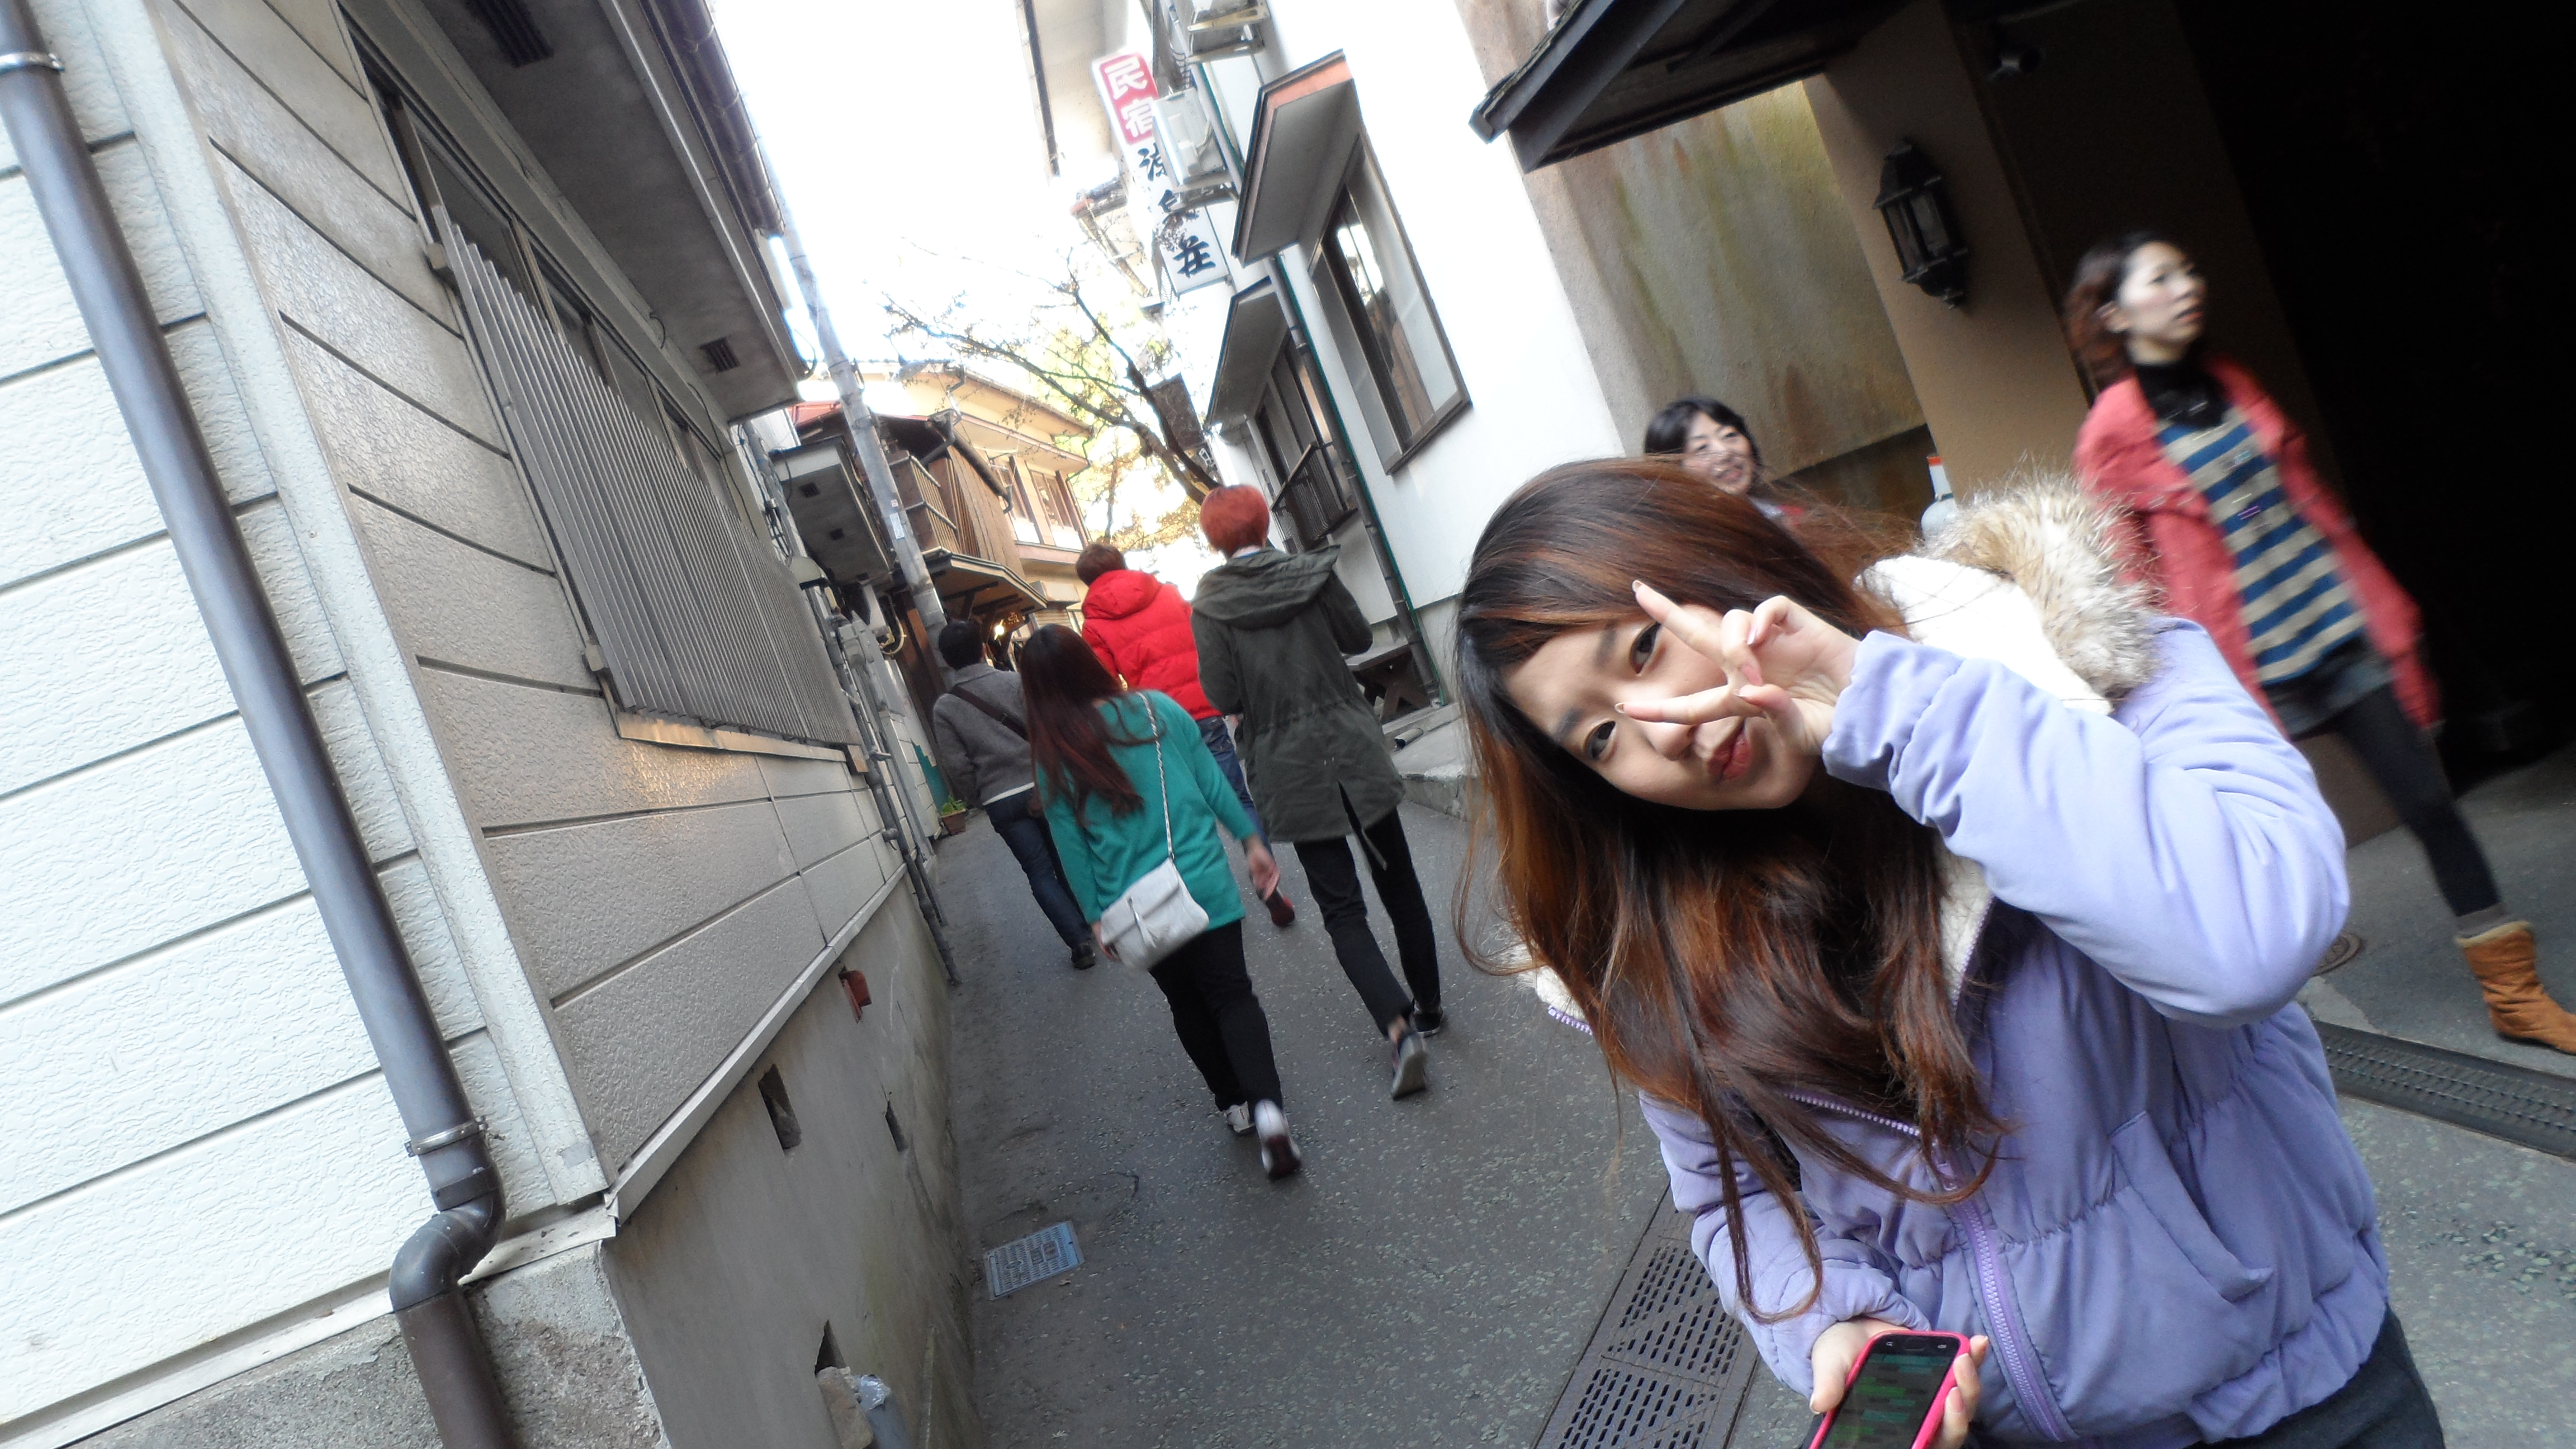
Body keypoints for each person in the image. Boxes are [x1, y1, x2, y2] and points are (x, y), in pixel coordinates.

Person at [1457, 461, 2439, 1447]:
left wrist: (1891, 708)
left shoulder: (2069, 655)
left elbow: (2251, 939)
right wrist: (1831, 1318)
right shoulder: (1658, 947)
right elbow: (1734, 1191)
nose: (1657, 732)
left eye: (1643, 648)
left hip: (2298, 1400)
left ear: (1725, 562)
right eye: (1598, 739)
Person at [2066, 229, 2576, 1055]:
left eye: (2188, 269)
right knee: (2257, 856)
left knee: (2429, 803)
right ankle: (2254, 1031)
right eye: (2161, 278)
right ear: (2116, 314)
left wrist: (2375, 600)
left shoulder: (2230, 379)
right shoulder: (2110, 434)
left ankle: (2515, 995)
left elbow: (2307, 503)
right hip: (2246, 669)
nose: (2188, 285)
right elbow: (2132, 580)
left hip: (2332, 631)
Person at [1020, 625, 1303, 1178]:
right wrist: (1250, 841)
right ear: (1090, 664)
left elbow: (1072, 851)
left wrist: (1096, 918)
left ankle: (1235, 1104)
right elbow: (1213, 782)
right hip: (1201, 879)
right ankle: (1270, 1111)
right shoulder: (1155, 710)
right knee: (1232, 996)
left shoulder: (1053, 759)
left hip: (1135, 907)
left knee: (1187, 1003)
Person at [1190, 485, 1444, 1100]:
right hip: (1351, 746)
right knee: (1399, 882)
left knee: (1341, 910)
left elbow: (1223, 694)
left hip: (1288, 766)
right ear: (1263, 522)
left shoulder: (1211, 607)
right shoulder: (1311, 574)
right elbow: (1358, 638)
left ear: (1215, 540)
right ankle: (1430, 1006)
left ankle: (1398, 1029)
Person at [1076, 540, 1297, 928]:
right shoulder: (1166, 593)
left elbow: (1103, 685)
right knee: (1234, 795)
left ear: (1088, 582)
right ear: (1122, 564)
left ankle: (1199, 896)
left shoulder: (1094, 624)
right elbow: (1202, 641)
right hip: (1203, 706)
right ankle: (1266, 875)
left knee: (1182, 809)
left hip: (1156, 721)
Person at [928, 619, 1093, 970]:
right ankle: (1092, 921)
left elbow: (956, 766)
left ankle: (1078, 943)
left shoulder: (945, 708)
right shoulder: (1016, 682)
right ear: (983, 649)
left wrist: (981, 798)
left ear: (947, 661)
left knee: (1038, 871)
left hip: (1000, 798)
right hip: (1043, 784)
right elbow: (1046, 727)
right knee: (1066, 855)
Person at [1642, 395, 1802, 523]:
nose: (1726, 452)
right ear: (1672, 471)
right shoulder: (1680, 548)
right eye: (1702, 448)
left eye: (1729, 435)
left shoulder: (1791, 521)